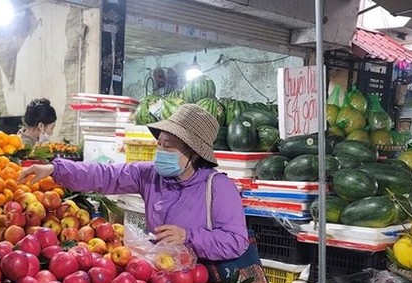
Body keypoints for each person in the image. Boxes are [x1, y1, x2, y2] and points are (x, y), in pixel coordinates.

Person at [19, 103, 249, 264]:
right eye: (159, 144)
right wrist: (56, 169)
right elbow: (105, 175)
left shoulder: (218, 187)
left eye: (168, 146)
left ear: (195, 154)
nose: (160, 151)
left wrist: (188, 236)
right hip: (164, 274)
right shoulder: (151, 175)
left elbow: (236, 241)